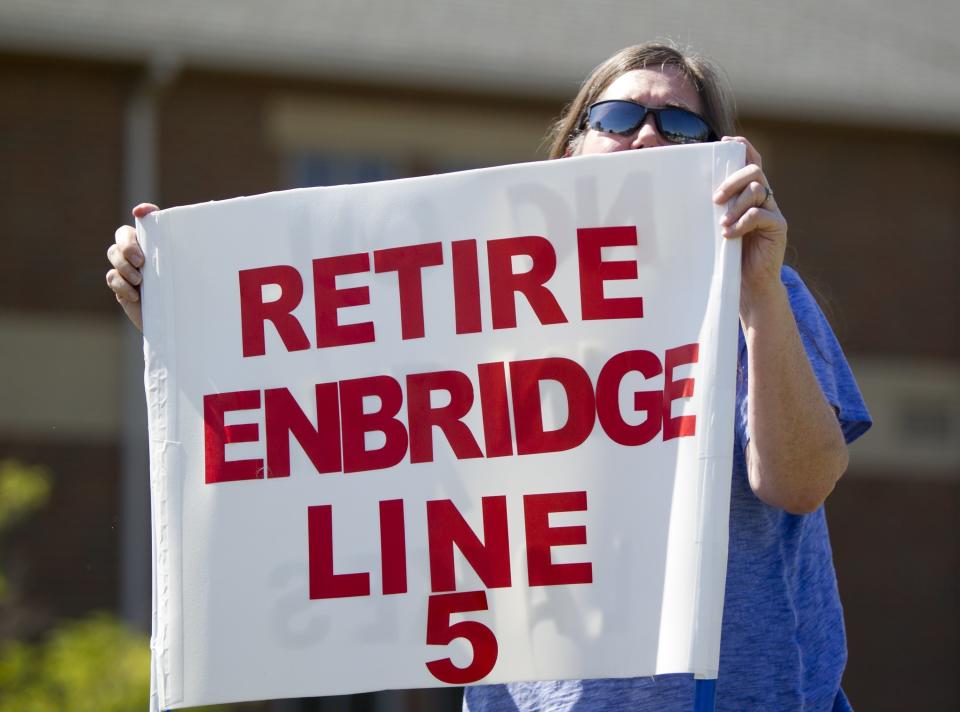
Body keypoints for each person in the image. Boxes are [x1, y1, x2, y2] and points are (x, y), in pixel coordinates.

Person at [106, 42, 871, 712]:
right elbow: (326, 422)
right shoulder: (471, 310)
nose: (646, 136)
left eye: (681, 126)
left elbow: (800, 483)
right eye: (616, 118)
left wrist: (760, 294)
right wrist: (193, 326)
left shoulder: (755, 290)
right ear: (572, 147)